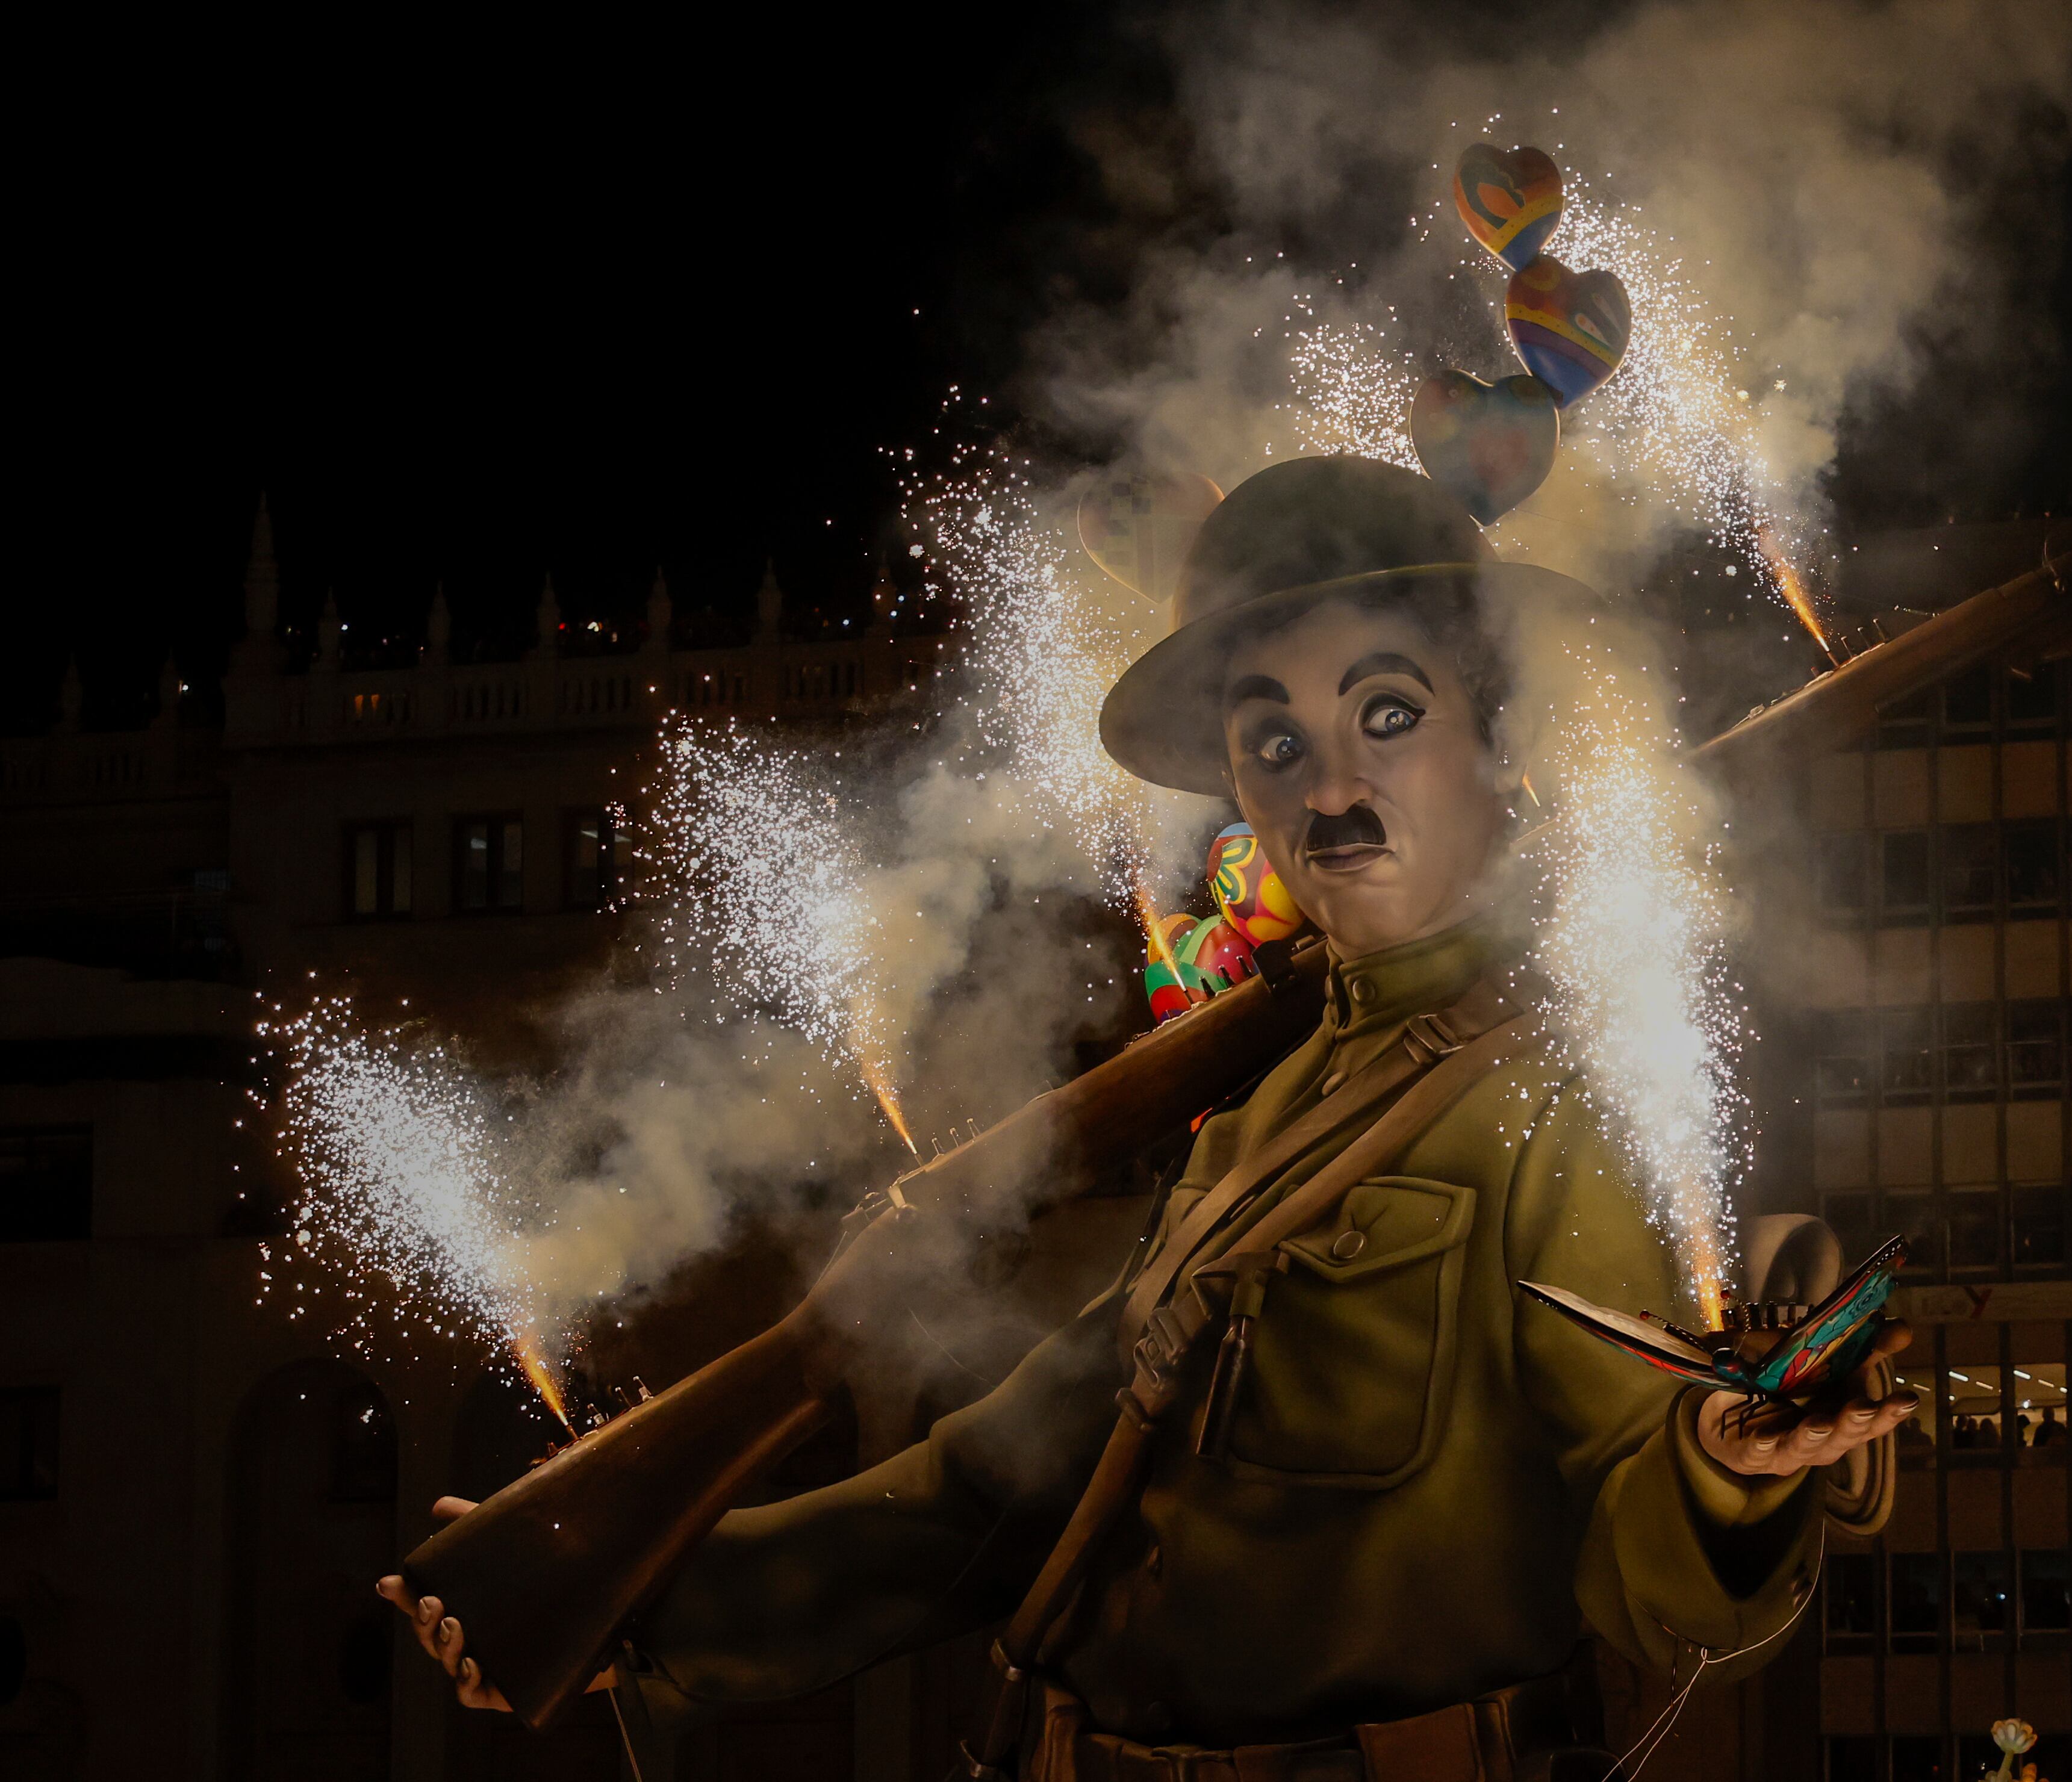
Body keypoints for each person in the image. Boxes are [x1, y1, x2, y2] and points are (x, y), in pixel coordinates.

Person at [378, 457, 1916, 1775]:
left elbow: (1656, 1546)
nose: (1325, 788)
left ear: (1493, 737)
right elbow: (999, 1487)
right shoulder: (1269, 1113)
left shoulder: (1563, 1098)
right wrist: (633, 1598)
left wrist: (1728, 1476)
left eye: (1384, 712)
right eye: (1272, 741)